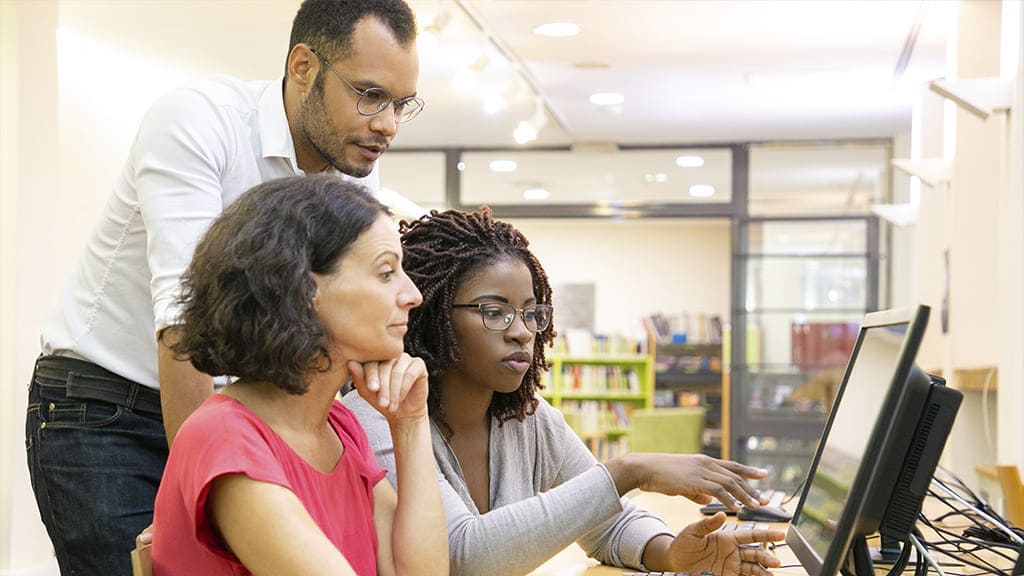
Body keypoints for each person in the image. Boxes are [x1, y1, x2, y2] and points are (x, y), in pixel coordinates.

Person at [25, 1, 423, 574]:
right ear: (304, 66)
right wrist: (196, 485)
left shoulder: (351, 160)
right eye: (369, 95)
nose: (386, 123)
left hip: (233, 416)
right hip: (106, 406)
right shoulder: (196, 119)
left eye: (401, 104)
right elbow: (184, 319)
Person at [344, 207, 786, 576]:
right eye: (495, 312)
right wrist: (626, 470)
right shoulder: (376, 415)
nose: (522, 333)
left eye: (532, 313)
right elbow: (461, 555)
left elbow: (608, 524)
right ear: (430, 312)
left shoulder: (529, 418)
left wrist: (672, 552)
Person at [151, 174, 446, 575]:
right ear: (305, 291)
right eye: (385, 272)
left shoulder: (339, 426)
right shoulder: (225, 438)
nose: (413, 294)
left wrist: (410, 424)